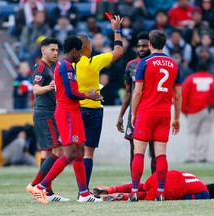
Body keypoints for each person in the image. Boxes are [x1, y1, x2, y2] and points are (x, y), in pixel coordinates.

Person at [31, 36, 103, 204]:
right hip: (67, 113)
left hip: (73, 111)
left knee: (80, 151)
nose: (81, 56)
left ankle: (84, 193)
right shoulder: (66, 67)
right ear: (74, 51)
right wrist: (88, 95)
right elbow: (70, 93)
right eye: (80, 53)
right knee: (69, 153)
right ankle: (41, 186)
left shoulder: (65, 66)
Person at [129, 30, 182, 202]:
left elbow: (137, 92)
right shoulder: (174, 64)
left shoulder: (144, 63)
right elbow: (179, 95)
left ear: (150, 44)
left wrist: (134, 113)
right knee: (161, 154)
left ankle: (135, 191)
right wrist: (177, 118)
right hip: (164, 113)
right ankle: (160, 192)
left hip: (146, 111)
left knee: (139, 153)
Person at [73, 15, 124, 189]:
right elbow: (118, 52)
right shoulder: (93, 62)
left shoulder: (67, 65)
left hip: (75, 110)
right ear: (86, 47)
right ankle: (84, 191)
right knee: (88, 153)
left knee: (76, 153)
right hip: (93, 110)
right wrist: (116, 30)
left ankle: (50, 186)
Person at [26, 37, 68, 203]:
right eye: (52, 50)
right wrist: (48, 87)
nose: (55, 53)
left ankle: (47, 191)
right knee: (58, 151)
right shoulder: (41, 67)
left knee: (47, 151)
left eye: (57, 50)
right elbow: (35, 89)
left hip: (48, 113)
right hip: (45, 114)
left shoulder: (50, 68)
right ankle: (36, 185)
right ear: (43, 50)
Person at [116, 31, 156, 173]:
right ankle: (135, 184)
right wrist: (121, 115)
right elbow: (128, 92)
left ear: (150, 46)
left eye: (144, 46)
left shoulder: (155, 64)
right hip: (134, 114)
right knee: (134, 149)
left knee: (154, 149)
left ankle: (155, 183)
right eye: (139, 46)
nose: (140, 49)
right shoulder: (131, 65)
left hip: (151, 112)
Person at [182, 60, 214, 163]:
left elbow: (184, 96)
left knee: (191, 133)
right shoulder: (213, 79)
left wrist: (184, 111)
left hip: (193, 110)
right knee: (205, 134)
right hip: (209, 110)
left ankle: (191, 156)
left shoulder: (190, 79)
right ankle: (202, 156)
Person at [93, 169, 214, 201]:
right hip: (166, 188)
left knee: (143, 185)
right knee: (145, 195)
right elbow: (186, 198)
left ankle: (111, 189)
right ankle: (122, 196)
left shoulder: (195, 178)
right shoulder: (205, 194)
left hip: (157, 176)